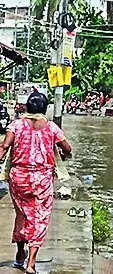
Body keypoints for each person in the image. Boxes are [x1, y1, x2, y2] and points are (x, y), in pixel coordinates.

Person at [0, 92, 72, 274]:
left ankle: (19, 255)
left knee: (23, 215)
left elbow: (5, 146)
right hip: (42, 180)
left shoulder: (15, 125)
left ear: (27, 107)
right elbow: (67, 148)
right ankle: (31, 264)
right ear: (45, 108)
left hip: (19, 179)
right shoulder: (52, 128)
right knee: (39, 218)